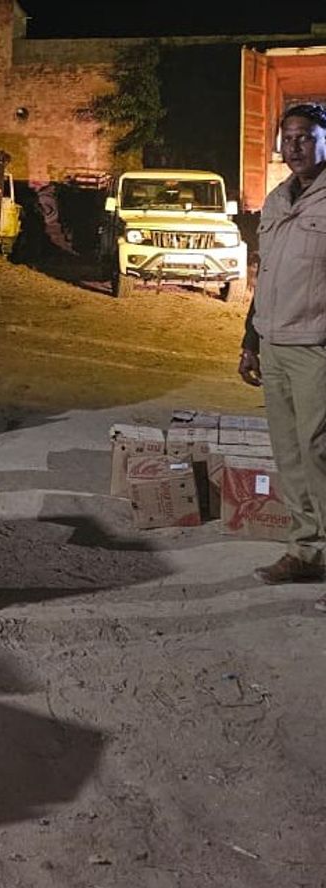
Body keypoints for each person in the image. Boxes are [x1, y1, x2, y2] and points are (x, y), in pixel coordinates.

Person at [237, 103, 326, 605]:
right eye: (287, 138)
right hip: (274, 345)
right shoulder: (275, 201)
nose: (295, 146)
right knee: (290, 454)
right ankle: (306, 551)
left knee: (320, 454)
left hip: (317, 347)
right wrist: (251, 341)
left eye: (306, 136)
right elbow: (265, 275)